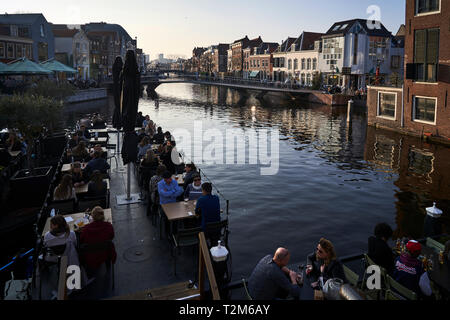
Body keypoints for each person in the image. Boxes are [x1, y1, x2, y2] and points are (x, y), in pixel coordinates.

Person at [79, 206, 116, 275]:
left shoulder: (86, 229)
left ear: (92, 217)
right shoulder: (108, 226)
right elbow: (111, 236)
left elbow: (81, 240)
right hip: (105, 253)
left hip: (90, 255)